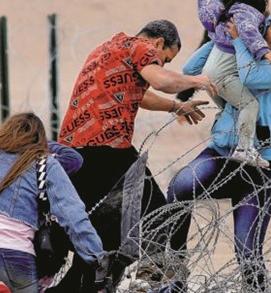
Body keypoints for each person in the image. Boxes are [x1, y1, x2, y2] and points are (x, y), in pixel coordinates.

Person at [52, 19, 216, 292]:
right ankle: (152, 281)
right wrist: (196, 80)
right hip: (107, 149)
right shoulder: (141, 47)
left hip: (74, 153)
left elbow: (138, 95)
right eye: (164, 58)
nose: (160, 64)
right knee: (160, 213)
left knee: (101, 238)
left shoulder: (107, 49)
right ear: (159, 43)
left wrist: (176, 107)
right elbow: (161, 82)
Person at [167, 5, 271, 292]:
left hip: (262, 166)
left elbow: (250, 78)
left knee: (246, 249)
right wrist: (219, 39)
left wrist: (242, 39)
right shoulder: (238, 52)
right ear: (264, 26)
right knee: (179, 187)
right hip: (223, 153)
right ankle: (176, 275)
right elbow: (192, 70)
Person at [0, 112, 108, 293]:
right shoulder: (44, 164)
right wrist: (98, 258)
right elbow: (73, 216)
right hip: (14, 256)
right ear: (40, 141)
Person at [183, 0, 271, 168]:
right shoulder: (244, 12)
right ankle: (244, 149)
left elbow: (189, 67)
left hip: (209, 75)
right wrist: (265, 51)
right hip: (222, 76)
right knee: (250, 105)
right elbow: (249, 31)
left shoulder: (223, 14)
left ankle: (223, 138)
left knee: (228, 108)